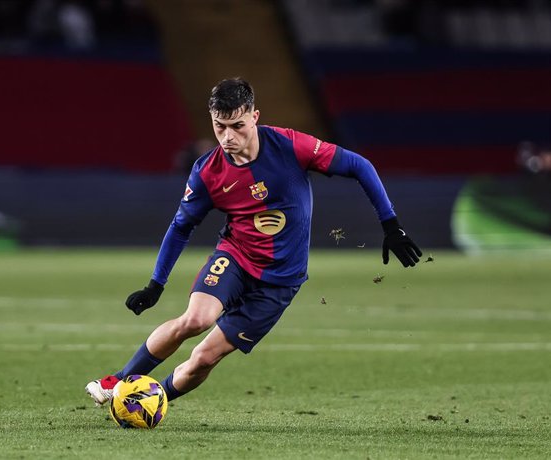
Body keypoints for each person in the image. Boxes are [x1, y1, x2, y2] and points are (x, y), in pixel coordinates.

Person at [85, 77, 421, 405]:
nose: (228, 137)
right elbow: (180, 227)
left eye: (238, 126)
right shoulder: (208, 172)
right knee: (195, 320)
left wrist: (391, 224)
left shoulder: (290, 146)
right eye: (220, 127)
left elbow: (359, 165)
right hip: (236, 258)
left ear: (254, 117)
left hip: (280, 281)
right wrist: (155, 284)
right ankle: (118, 381)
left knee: (203, 358)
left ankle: (150, 399)